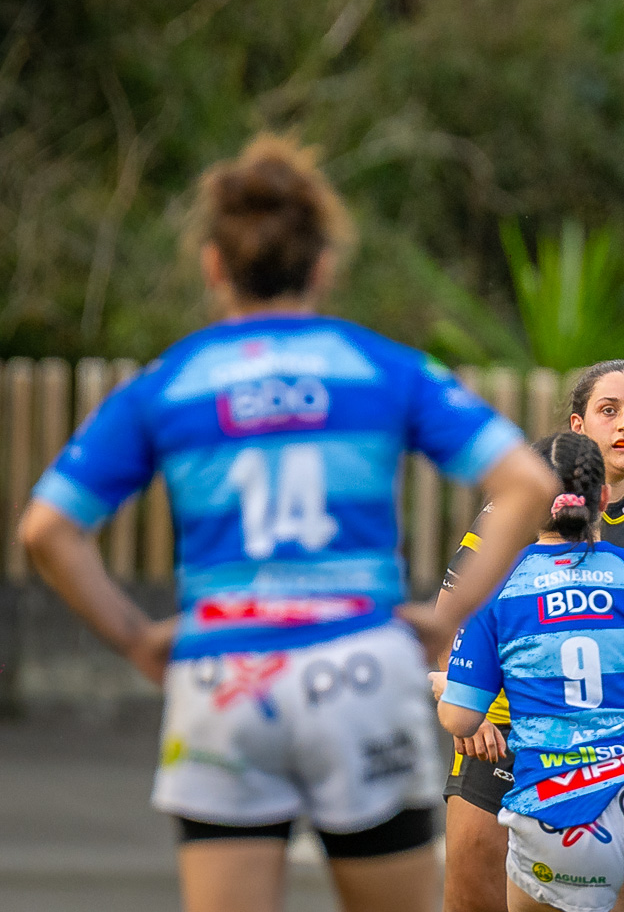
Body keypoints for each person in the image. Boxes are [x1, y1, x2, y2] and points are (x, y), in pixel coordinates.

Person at [19, 136, 560, 912]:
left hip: (224, 677)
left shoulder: (168, 384)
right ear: (323, 266)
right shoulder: (382, 366)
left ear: (213, 266)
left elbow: (46, 529)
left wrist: (137, 638)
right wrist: (446, 624)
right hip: (360, 668)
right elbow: (526, 482)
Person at [438, 431, 624, 912]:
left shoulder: (498, 588)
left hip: (556, 812)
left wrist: (443, 685)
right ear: (603, 497)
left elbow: (459, 720)